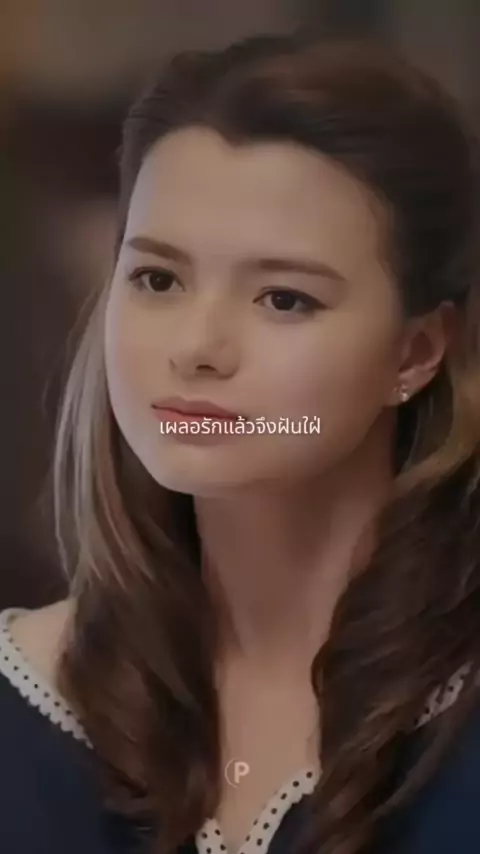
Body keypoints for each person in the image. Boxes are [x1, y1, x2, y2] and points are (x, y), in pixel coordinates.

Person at [1, 32, 480, 854]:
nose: (198, 347)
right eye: (158, 279)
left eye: (284, 299)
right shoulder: (22, 701)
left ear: (416, 352)